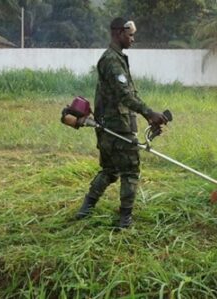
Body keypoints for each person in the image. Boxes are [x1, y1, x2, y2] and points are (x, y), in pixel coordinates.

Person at [75, 17, 167, 228]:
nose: (133, 39)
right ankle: (125, 219)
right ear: (118, 33)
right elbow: (124, 95)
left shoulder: (116, 58)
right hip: (117, 127)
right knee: (130, 171)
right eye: (130, 35)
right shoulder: (112, 60)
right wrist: (149, 113)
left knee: (109, 170)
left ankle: (86, 208)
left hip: (109, 124)